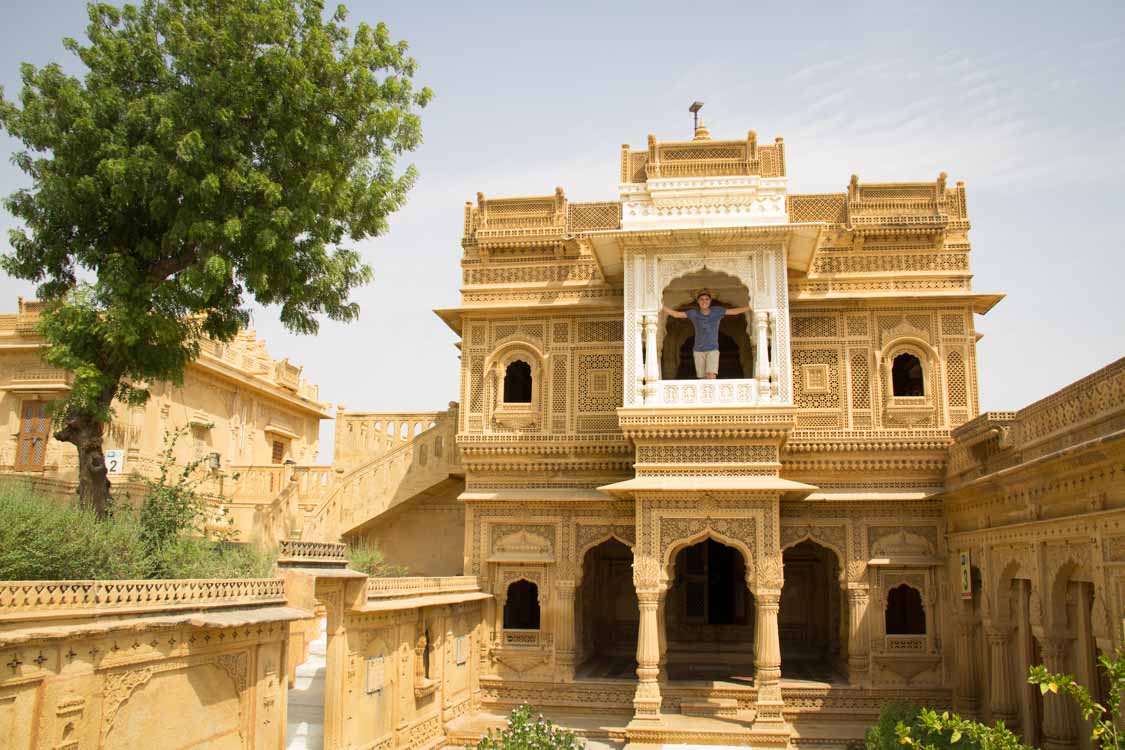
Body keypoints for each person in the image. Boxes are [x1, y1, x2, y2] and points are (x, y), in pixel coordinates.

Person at [663, 290, 751, 379]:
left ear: (710, 301)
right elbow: (676, 314)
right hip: (698, 350)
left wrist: (750, 307)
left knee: (711, 375)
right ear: (698, 301)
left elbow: (733, 312)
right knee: (702, 378)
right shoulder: (694, 313)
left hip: (712, 349)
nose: (704, 301)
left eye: (706, 299)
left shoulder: (716, 311)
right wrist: (661, 306)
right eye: (701, 299)